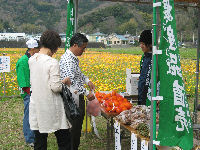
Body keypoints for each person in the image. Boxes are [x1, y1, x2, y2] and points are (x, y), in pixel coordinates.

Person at [28, 30, 71, 150]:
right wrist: (64, 82)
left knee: (40, 141)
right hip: (51, 106)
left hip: (36, 105)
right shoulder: (52, 62)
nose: (56, 51)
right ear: (53, 47)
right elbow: (55, 87)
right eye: (56, 48)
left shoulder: (31, 60)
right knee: (64, 140)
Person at [59, 33, 95, 150]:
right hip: (72, 98)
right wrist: (86, 92)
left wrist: (87, 80)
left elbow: (78, 74)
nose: (83, 51)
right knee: (74, 128)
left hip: (75, 96)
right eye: (82, 48)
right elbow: (72, 82)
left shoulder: (72, 58)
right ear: (75, 45)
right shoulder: (68, 60)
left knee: (76, 126)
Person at [16, 38, 40, 147]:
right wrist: (31, 93)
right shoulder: (23, 61)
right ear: (33, 49)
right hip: (29, 93)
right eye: (38, 49)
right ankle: (29, 138)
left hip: (34, 91)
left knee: (34, 115)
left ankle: (34, 136)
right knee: (29, 115)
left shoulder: (34, 59)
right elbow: (24, 82)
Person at [138, 30, 152, 105]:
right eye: (140, 43)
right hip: (142, 94)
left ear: (150, 44)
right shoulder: (144, 57)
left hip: (149, 97)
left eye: (143, 44)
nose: (141, 46)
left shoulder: (156, 58)